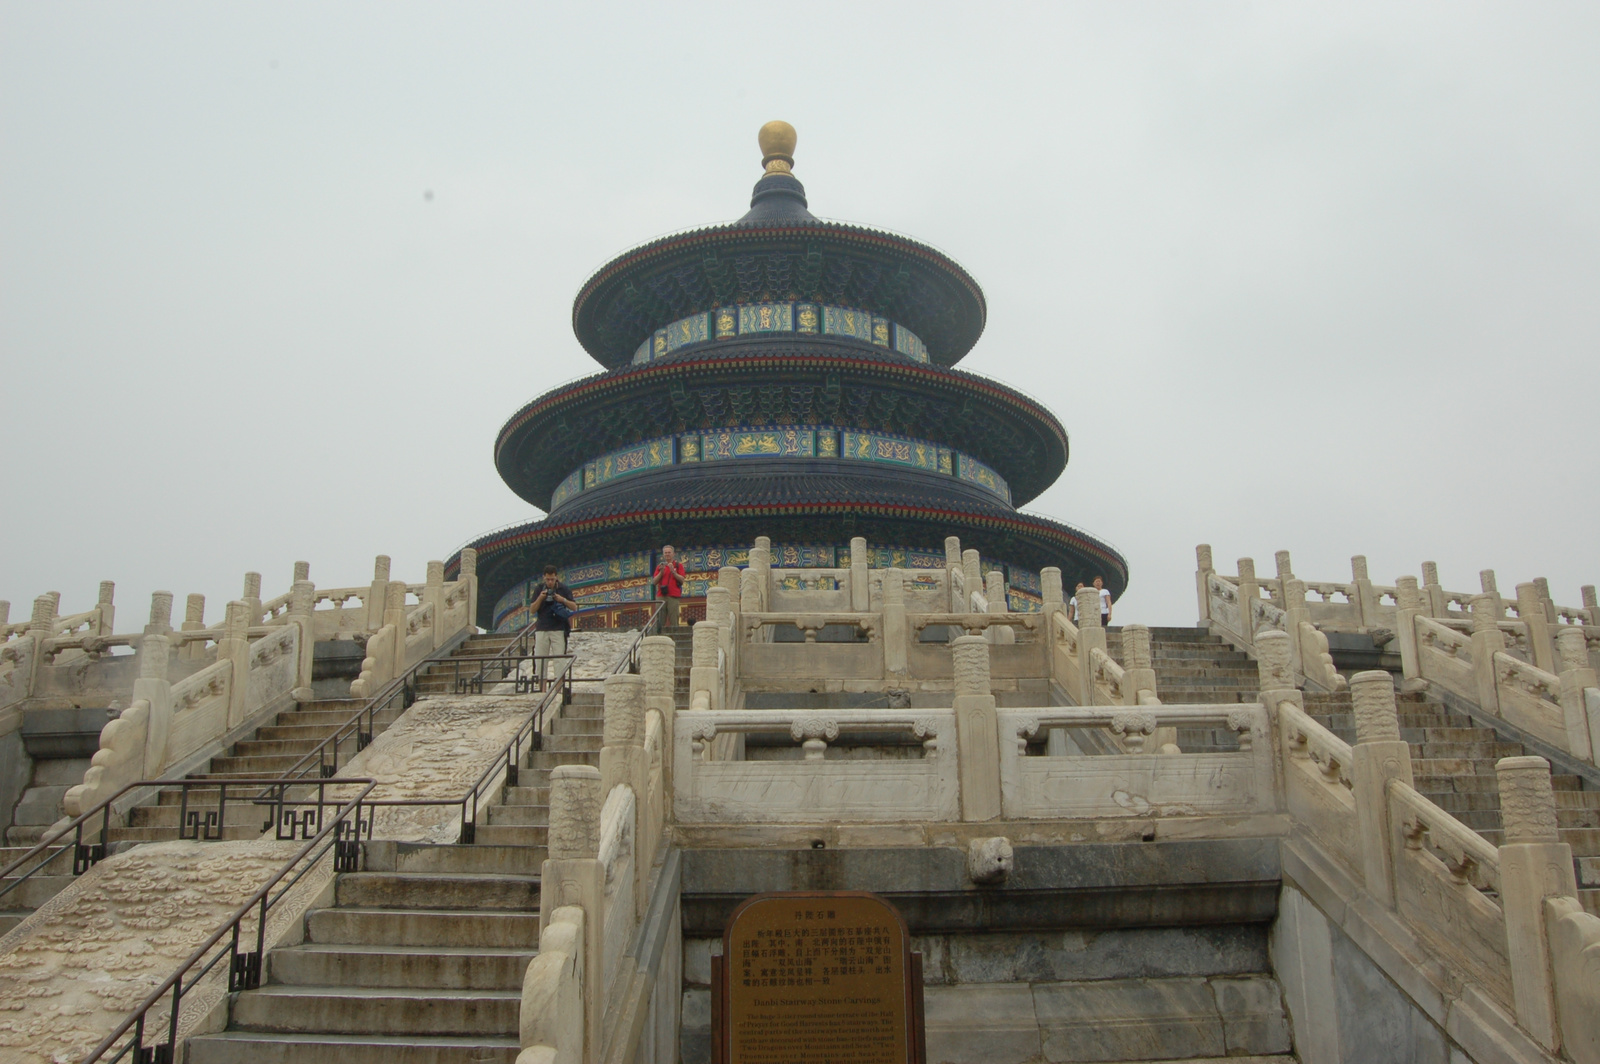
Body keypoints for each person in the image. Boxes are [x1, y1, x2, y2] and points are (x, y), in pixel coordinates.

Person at [531, 565, 577, 687]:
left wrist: (563, 600)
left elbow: (574, 607)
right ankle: (542, 690)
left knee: (559, 660)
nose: (550, 582)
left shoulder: (564, 589)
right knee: (541, 660)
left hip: (558, 628)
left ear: (556, 577)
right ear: (544, 578)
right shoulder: (539, 589)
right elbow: (532, 610)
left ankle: (559, 688)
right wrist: (540, 598)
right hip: (542, 628)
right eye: (547, 579)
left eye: (552, 579)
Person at [651, 544, 687, 627]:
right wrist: (661, 572)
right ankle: (659, 637)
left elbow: (682, 580)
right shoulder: (660, 566)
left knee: (674, 618)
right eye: (665, 553)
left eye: (669, 552)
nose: (667, 554)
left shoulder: (678, 565)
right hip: (661, 595)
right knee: (660, 619)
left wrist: (673, 571)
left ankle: (675, 636)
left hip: (673, 596)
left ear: (673, 554)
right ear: (663, 554)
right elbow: (654, 582)